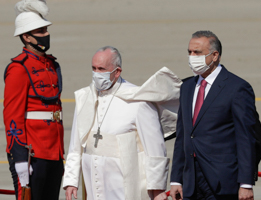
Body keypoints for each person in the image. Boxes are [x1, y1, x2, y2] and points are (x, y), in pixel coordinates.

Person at [63, 46, 182, 200]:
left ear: (117, 72)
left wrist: (157, 188)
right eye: (94, 68)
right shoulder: (85, 97)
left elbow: (155, 149)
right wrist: (71, 181)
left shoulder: (138, 100)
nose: (96, 74)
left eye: (102, 69)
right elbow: (75, 144)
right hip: (94, 182)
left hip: (124, 184)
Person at [170, 30, 261, 200]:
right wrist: (176, 178)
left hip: (223, 181)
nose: (192, 57)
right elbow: (183, 135)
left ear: (214, 56)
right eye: (189, 52)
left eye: (197, 52)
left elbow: (247, 139)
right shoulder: (186, 86)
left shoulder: (237, 88)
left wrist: (246, 183)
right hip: (191, 182)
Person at [3, 0, 64, 199]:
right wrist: (20, 157)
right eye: (40, 31)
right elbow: (13, 116)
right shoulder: (19, 69)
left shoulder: (51, 65)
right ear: (26, 37)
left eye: (45, 30)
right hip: (32, 153)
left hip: (54, 151)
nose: (46, 35)